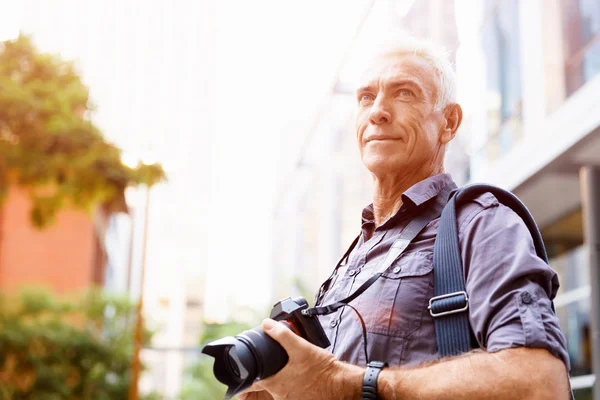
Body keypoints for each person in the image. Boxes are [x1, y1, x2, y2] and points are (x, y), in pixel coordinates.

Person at [240, 37, 571, 400]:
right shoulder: (350, 261)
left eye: (404, 94)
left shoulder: (480, 223)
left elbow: (540, 384)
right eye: (366, 97)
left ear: (449, 122)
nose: (377, 111)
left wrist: (349, 383)